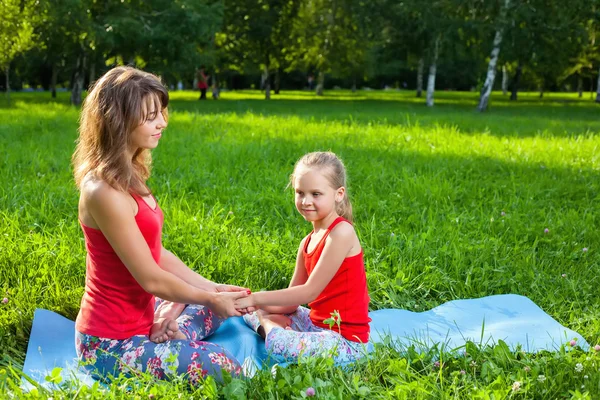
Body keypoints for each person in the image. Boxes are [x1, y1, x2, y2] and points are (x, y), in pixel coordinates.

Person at [72, 66, 251, 384]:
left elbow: (156, 253)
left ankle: (167, 323)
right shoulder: (102, 191)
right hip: (110, 344)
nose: (163, 123)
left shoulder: (130, 169)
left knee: (215, 308)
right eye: (151, 116)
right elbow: (151, 278)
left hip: (145, 314)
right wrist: (208, 297)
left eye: (162, 113)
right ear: (119, 120)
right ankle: (169, 331)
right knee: (226, 368)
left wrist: (212, 289)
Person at [236, 151, 371, 364]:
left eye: (316, 194)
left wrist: (256, 300)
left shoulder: (342, 233)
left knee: (278, 340)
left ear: (339, 194)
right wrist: (251, 301)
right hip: (314, 325)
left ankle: (270, 329)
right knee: (253, 310)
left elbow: (309, 291)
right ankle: (272, 326)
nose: (306, 201)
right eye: (300, 192)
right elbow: (291, 299)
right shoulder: (307, 242)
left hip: (345, 340)